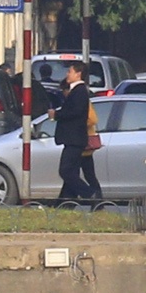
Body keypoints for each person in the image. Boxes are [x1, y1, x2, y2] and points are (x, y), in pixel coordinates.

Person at [52, 62, 91, 202]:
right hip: (72, 138)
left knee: (65, 171)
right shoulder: (75, 91)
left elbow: (75, 112)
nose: (67, 74)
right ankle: (65, 202)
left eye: (70, 71)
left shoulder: (80, 91)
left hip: (75, 138)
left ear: (78, 74)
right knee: (72, 171)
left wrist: (56, 114)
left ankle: (89, 194)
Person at [79, 98, 103, 201]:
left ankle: (96, 198)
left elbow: (92, 120)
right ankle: (66, 202)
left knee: (87, 175)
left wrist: (76, 124)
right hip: (82, 144)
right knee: (72, 175)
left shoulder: (83, 101)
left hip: (85, 144)